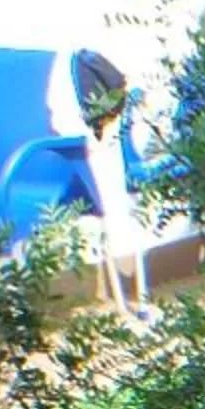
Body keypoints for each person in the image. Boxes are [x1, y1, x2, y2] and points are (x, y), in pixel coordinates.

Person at [49, 48, 149, 313]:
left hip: (98, 149)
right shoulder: (68, 77)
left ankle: (131, 293)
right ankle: (126, 293)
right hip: (79, 159)